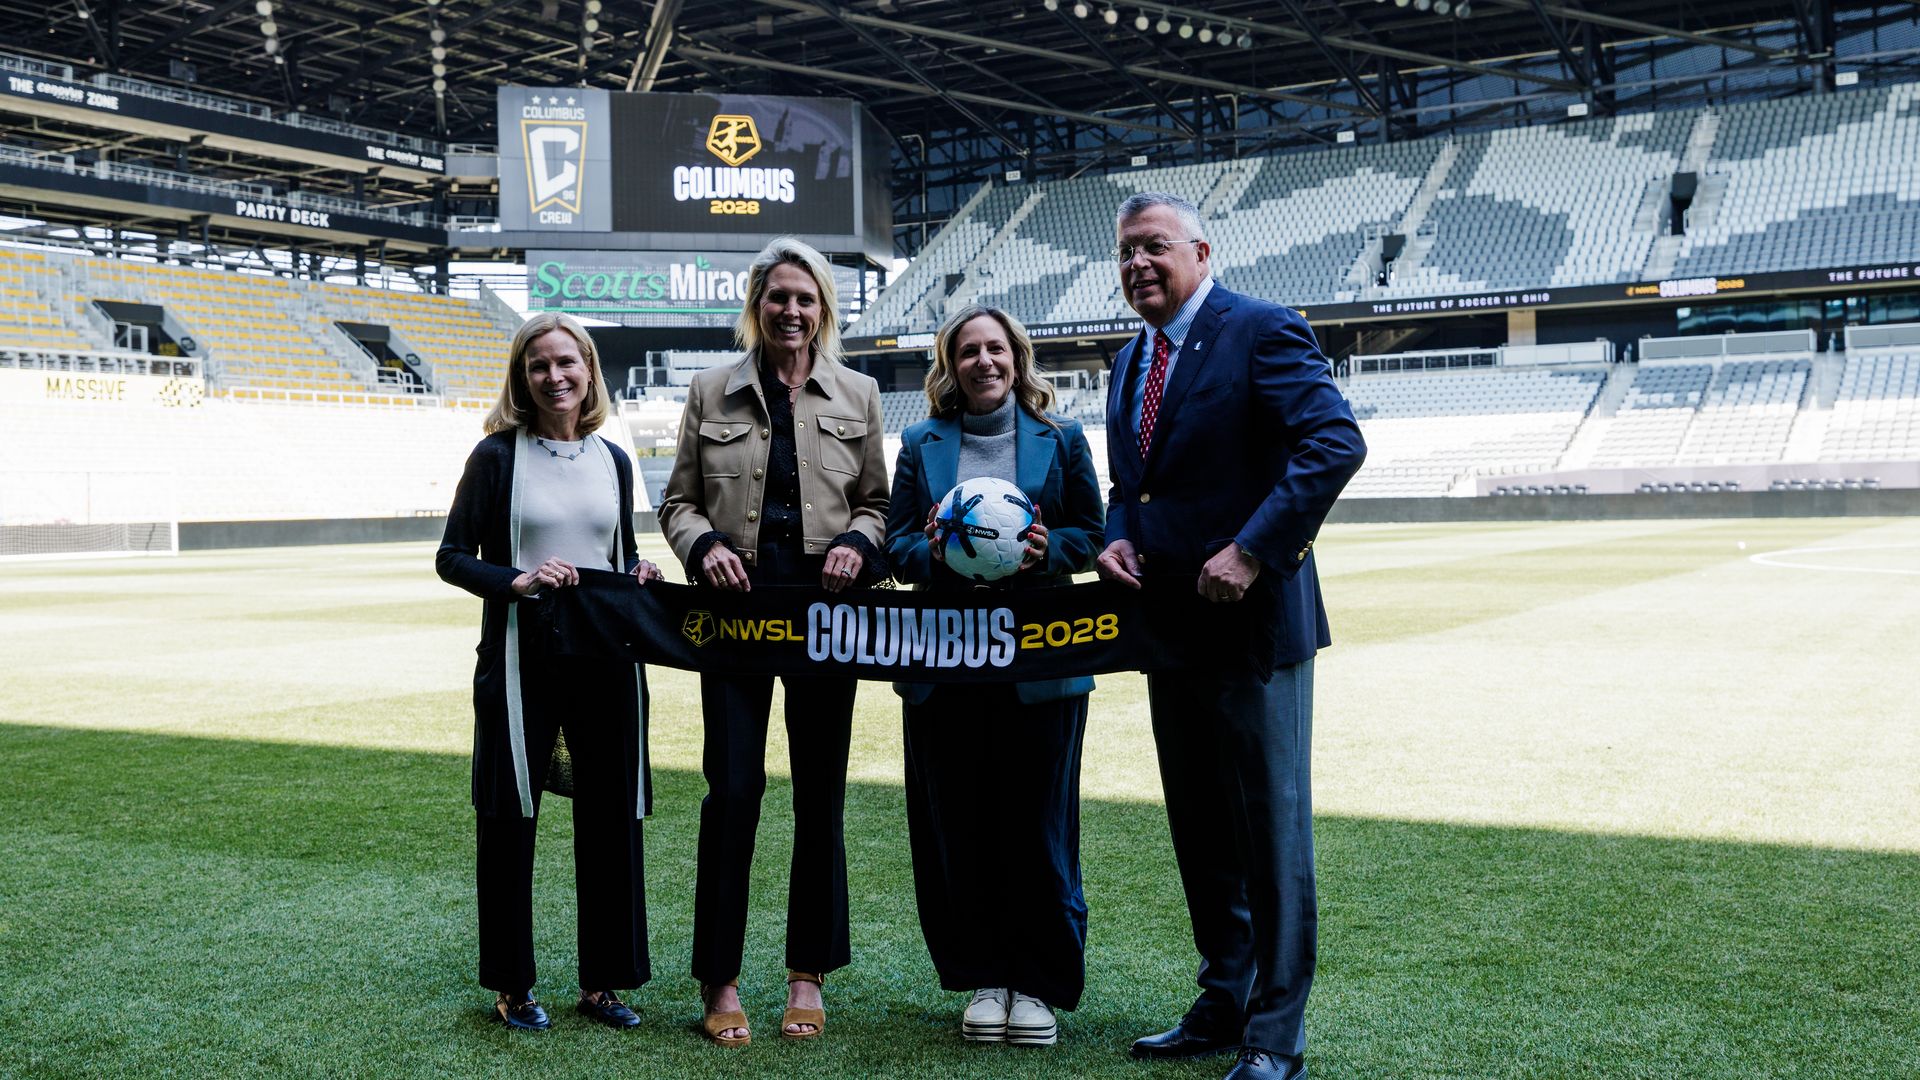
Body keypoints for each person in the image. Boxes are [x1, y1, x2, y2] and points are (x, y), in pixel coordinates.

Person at [1094, 193, 1366, 1080]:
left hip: (1254, 631)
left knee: (1269, 832)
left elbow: (1333, 442)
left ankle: (1275, 1034)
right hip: (1169, 630)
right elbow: (1131, 487)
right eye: (1127, 251)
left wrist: (1252, 549)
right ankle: (1222, 1001)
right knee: (1201, 828)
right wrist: (1114, 533)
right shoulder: (1130, 360)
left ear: (1201, 252)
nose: (1139, 264)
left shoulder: (1262, 329)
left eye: (1155, 247)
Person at [659, 236, 889, 1045]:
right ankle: (719, 982)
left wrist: (860, 542)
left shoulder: (857, 392)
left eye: (805, 298)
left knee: (819, 792)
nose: (791, 311)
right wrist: (702, 548)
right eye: (776, 297)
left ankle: (807, 971)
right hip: (734, 618)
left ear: (823, 308)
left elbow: (878, 503)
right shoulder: (710, 389)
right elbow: (679, 502)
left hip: (827, 618)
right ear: (755, 304)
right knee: (733, 791)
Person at [883, 305, 1105, 1048]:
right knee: (963, 822)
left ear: (1018, 357)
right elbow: (898, 544)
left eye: (997, 348)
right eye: (968, 350)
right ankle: (986, 977)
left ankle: (1038, 982)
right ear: (949, 365)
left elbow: (1093, 535)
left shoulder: (1062, 438)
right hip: (946, 662)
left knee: (1037, 824)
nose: (984, 361)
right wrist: (940, 555)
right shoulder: (920, 441)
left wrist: (1048, 551)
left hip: (1040, 663)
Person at [435, 311, 664, 1031]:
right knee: (511, 818)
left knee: (611, 823)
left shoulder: (613, 459)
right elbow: (451, 556)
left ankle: (604, 983)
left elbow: (620, 554)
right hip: (518, 661)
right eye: (539, 366)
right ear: (522, 377)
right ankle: (512, 986)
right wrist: (519, 580)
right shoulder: (498, 458)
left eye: (567, 363)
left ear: (589, 369)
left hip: (606, 661)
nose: (555, 376)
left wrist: (639, 570)